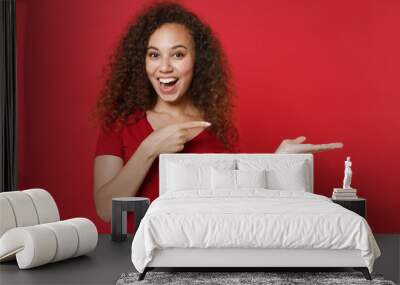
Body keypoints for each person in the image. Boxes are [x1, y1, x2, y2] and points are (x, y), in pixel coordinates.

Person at [93, 2, 343, 222]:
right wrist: (149, 149)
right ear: (142, 62)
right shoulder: (120, 126)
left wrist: (277, 162)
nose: (165, 67)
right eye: (154, 55)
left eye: (178, 54)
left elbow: (236, 204)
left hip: (200, 254)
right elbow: (105, 209)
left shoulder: (216, 129)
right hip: (135, 257)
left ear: (197, 61)